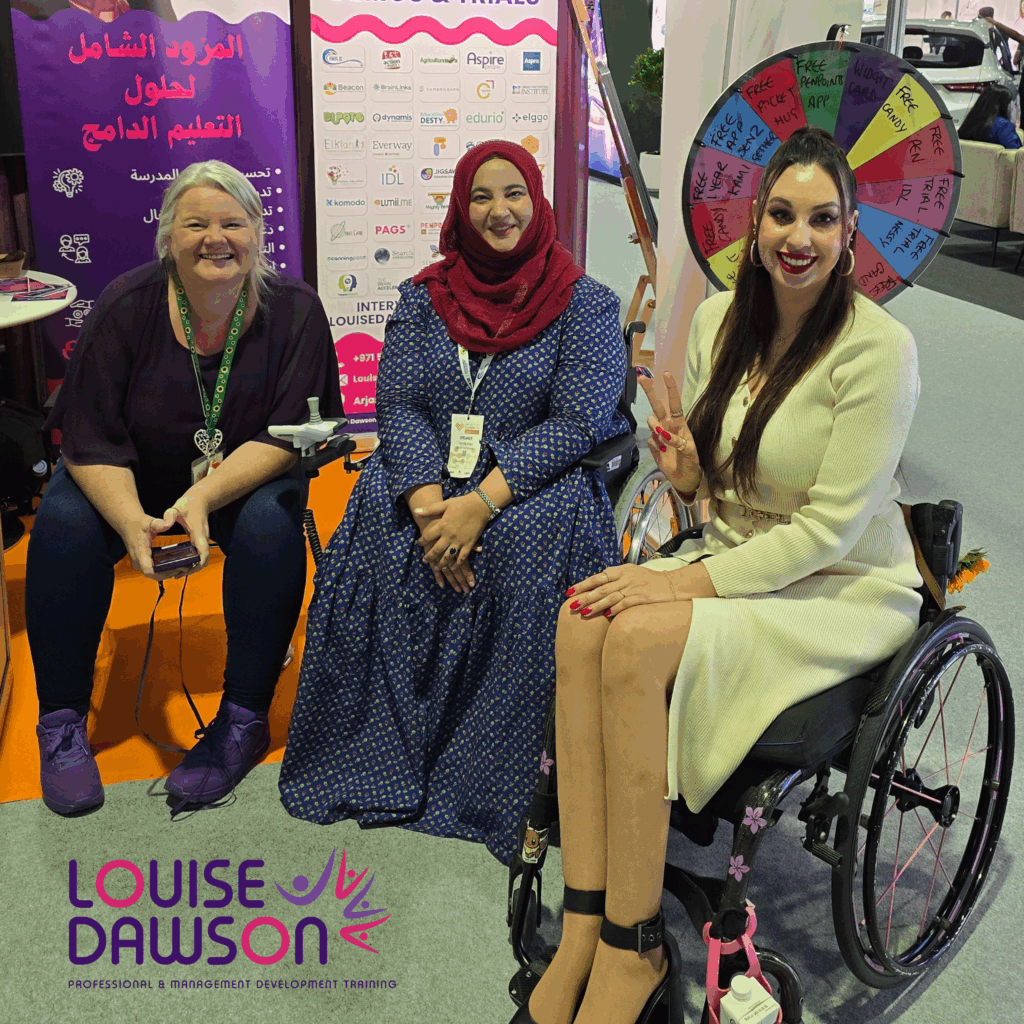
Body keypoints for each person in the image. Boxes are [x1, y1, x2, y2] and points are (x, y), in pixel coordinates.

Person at [515, 126, 924, 1024]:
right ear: (754, 219)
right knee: (581, 616)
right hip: (737, 551)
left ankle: (632, 950)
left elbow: (825, 533)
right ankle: (585, 925)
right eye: (782, 213)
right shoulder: (713, 320)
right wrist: (691, 476)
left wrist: (679, 584)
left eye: (823, 218)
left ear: (851, 233)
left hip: (841, 583)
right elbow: (718, 499)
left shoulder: (877, 349)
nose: (798, 236)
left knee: (636, 638)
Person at [278, 141, 630, 864]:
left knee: (529, 535)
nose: (499, 211)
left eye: (514, 194)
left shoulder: (586, 304)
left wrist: (482, 506)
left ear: (538, 202)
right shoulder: (424, 296)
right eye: (481, 196)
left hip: (527, 483)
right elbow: (398, 403)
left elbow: (579, 421)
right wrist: (431, 503)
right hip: (432, 479)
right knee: (379, 510)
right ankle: (378, 759)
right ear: (460, 209)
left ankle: (482, 785)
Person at [28, 159, 342, 815]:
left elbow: (291, 436)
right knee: (61, 522)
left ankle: (243, 717)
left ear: (258, 232)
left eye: (233, 222)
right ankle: (59, 725)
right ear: (169, 236)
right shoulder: (124, 307)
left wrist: (202, 498)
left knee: (270, 523)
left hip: (236, 481)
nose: (215, 238)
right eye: (196, 223)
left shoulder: (297, 312)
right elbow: (86, 438)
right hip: (132, 477)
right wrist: (129, 520)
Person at [958, 83, 1022, 147]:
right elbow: (1015, 151)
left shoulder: (970, 122)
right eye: (1009, 103)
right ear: (1003, 105)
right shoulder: (1004, 125)